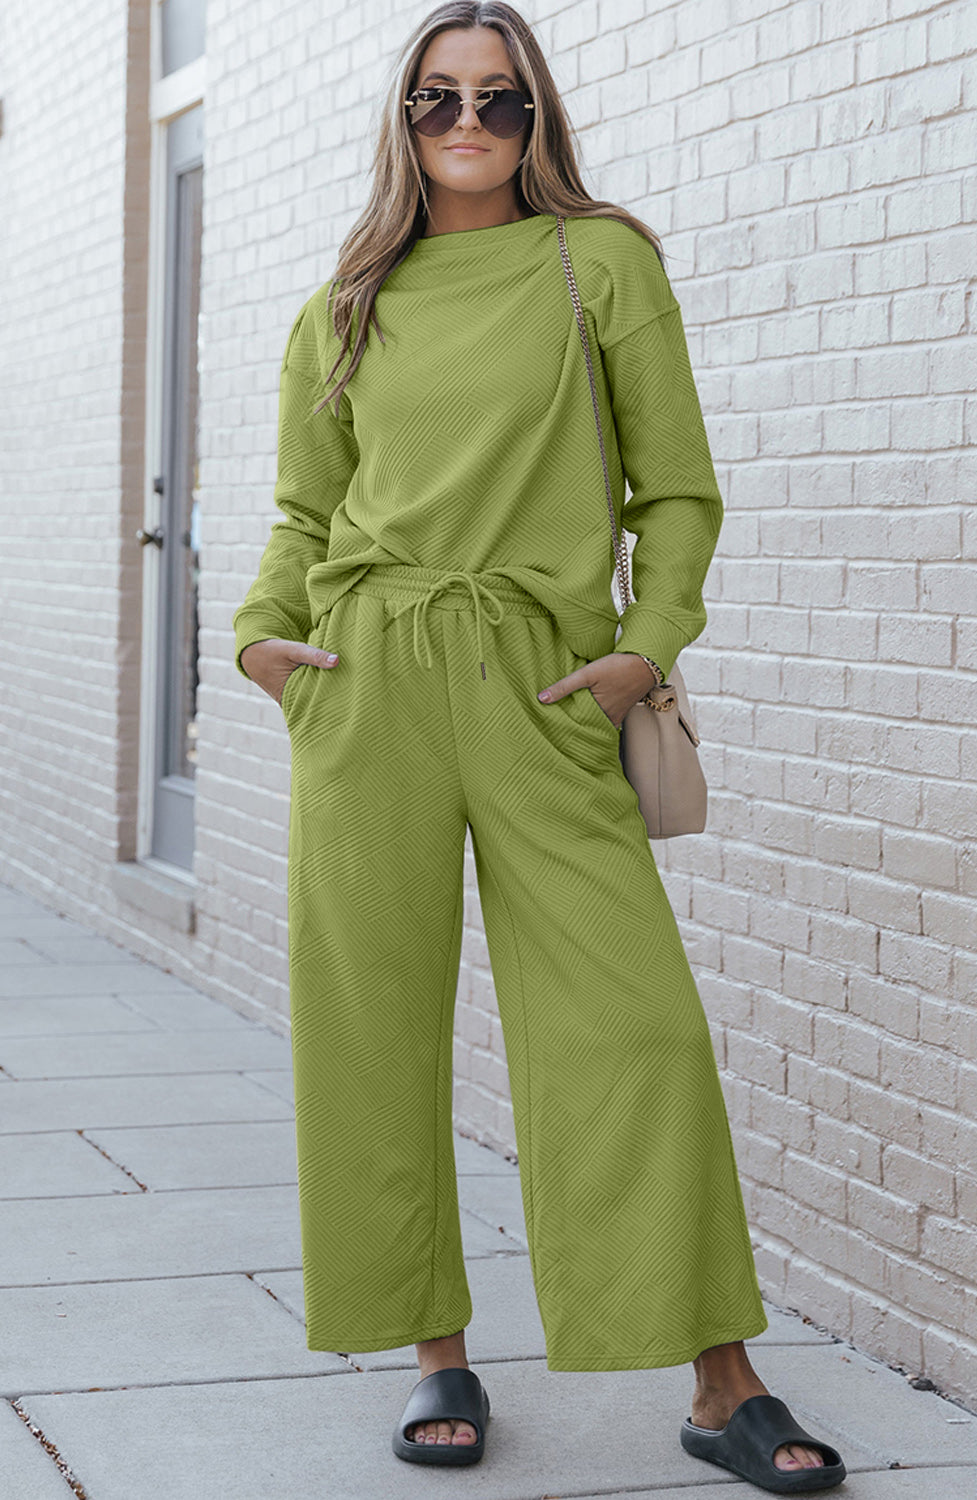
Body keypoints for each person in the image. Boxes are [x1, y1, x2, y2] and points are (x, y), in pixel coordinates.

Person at [233, 3, 846, 1493]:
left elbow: (677, 488)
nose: (468, 122)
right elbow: (307, 517)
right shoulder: (346, 304)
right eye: (439, 96)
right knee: (372, 1025)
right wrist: (264, 638)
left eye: (499, 100)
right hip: (366, 678)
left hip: (542, 683)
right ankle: (435, 1351)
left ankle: (721, 1378)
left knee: (631, 1027)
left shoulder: (601, 265)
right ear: (403, 115)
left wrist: (652, 640)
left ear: (537, 118)